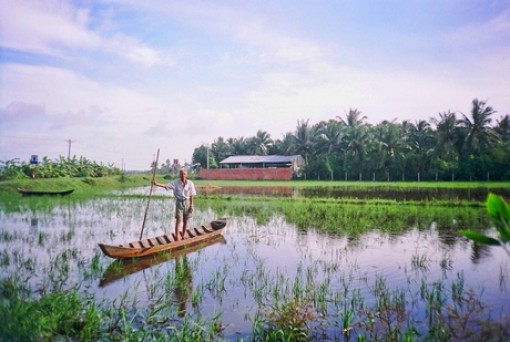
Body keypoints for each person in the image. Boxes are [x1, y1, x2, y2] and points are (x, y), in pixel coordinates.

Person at [152, 168, 197, 240]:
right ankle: (177, 236)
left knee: (186, 220)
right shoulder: (175, 183)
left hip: (187, 202)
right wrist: (156, 184)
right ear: (179, 174)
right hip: (179, 202)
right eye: (181, 174)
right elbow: (166, 185)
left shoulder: (190, 183)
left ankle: (184, 235)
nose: (183, 175)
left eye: (184, 174)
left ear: (186, 174)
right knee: (179, 220)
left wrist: (191, 206)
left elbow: (191, 195)